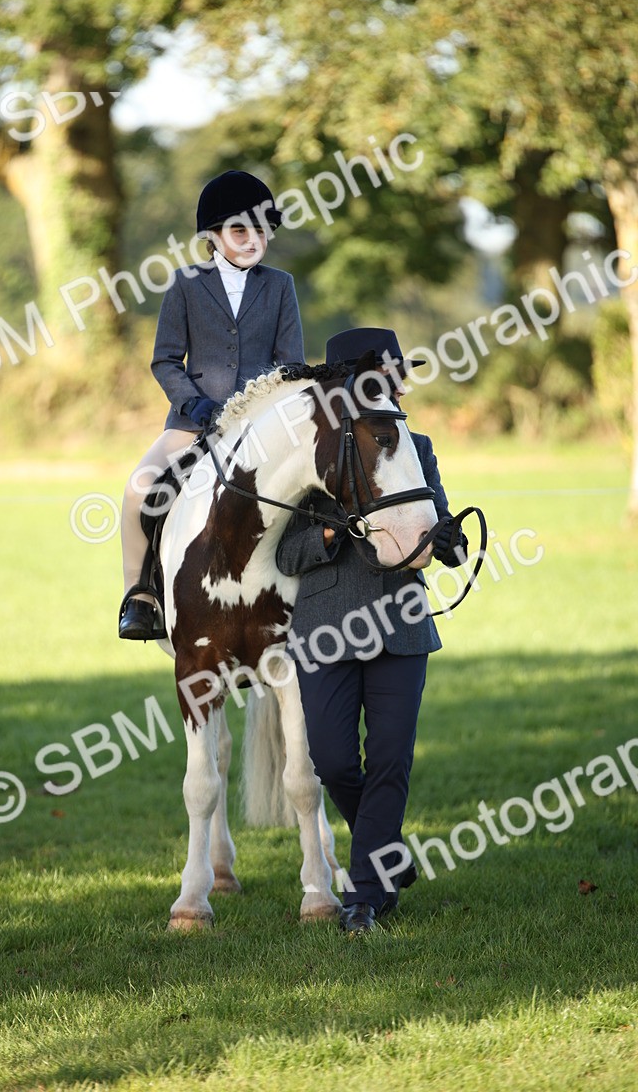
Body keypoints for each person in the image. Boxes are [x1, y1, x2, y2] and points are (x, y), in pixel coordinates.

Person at [275, 327, 467, 934]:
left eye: (396, 373)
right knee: (333, 761)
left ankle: (365, 894)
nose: (395, 383)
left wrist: (449, 540)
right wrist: (335, 533)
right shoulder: (310, 454)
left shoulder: (418, 442)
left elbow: (434, 515)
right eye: (379, 374)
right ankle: (388, 855)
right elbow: (287, 553)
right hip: (326, 626)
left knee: (389, 759)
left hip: (401, 625)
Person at [119, 169, 305, 640]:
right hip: (194, 422)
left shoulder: (280, 285)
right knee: (140, 488)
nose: (251, 239)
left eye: (260, 230)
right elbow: (164, 361)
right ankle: (140, 595)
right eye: (239, 229)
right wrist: (193, 403)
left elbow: (293, 365)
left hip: (262, 424)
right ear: (213, 235)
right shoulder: (184, 285)